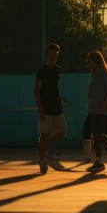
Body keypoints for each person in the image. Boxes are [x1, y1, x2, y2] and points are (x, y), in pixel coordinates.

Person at [83, 51, 107, 173]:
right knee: (94, 132)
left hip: (103, 111)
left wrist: (104, 105)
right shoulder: (94, 73)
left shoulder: (103, 72)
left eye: (89, 59)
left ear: (95, 60)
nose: (87, 62)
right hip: (94, 110)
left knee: (95, 132)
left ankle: (98, 160)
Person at [35, 43, 68, 174]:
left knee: (62, 131)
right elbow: (37, 91)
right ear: (47, 54)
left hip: (57, 107)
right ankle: (42, 161)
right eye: (53, 54)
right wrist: (40, 109)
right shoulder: (42, 70)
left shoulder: (57, 69)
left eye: (57, 54)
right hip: (45, 108)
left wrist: (60, 99)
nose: (55, 56)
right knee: (44, 134)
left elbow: (55, 88)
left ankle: (43, 153)